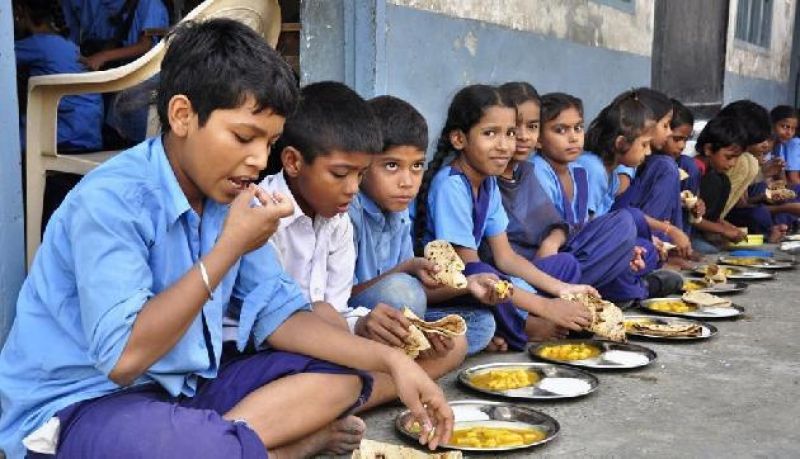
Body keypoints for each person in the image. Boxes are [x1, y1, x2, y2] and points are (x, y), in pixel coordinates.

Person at [0, 19, 452, 458]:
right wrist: (228, 249)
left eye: (269, 143)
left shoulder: (226, 196)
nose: (258, 160)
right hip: (85, 402)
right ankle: (276, 447)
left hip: (185, 388)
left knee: (349, 375)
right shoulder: (112, 200)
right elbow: (123, 358)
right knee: (194, 444)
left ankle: (229, 443)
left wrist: (393, 361)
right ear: (182, 116)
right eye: (243, 137)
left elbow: (282, 317)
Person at [412, 84, 593, 352]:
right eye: (490, 133)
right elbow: (471, 269)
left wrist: (564, 289)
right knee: (485, 276)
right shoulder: (451, 185)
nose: (505, 145)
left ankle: (519, 320)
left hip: (489, 282)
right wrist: (546, 305)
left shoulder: (488, 182)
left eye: (509, 133)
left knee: (565, 265)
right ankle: (526, 327)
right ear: (459, 139)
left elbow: (506, 257)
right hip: (454, 289)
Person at [349, 95, 500, 357]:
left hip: (400, 311)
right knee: (402, 290)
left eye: (417, 166)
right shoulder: (348, 213)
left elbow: (418, 295)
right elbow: (340, 299)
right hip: (355, 320)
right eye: (392, 166)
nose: (407, 182)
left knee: (481, 324)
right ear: (362, 165)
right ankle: (402, 358)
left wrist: (468, 285)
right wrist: (407, 268)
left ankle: (409, 352)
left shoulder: (399, 213)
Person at [504, 88, 644, 302]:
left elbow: (579, 226)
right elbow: (534, 238)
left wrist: (617, 250)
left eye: (578, 128)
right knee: (574, 261)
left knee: (629, 231)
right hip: (539, 265)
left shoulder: (578, 172)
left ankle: (603, 285)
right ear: (539, 140)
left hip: (565, 253)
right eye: (560, 130)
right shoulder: (536, 170)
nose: (572, 137)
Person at [14, 0, 103, 151]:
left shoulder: (37, 44)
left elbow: (5, 58)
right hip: (89, 134)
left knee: (8, 135)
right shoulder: (68, 44)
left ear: (20, 12)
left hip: (65, 134)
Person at [691, 115, 750, 253]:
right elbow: (691, 217)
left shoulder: (715, 174)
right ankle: (694, 238)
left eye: (736, 158)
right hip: (686, 227)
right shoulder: (694, 170)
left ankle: (704, 236)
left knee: (723, 181)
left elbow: (711, 216)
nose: (733, 164)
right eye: (729, 157)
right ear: (708, 149)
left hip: (699, 225)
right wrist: (723, 230)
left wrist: (730, 229)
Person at [661, 99, 705, 236]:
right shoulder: (646, 161)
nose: (682, 146)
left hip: (678, 224)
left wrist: (696, 204)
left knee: (690, 165)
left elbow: (693, 197)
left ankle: (685, 238)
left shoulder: (684, 165)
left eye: (685, 140)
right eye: (676, 139)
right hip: (658, 224)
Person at [770, 105, 800, 186]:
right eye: (784, 126)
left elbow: (783, 182)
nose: (789, 133)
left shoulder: (780, 147)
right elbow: (793, 179)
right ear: (771, 124)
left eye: (793, 128)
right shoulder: (762, 147)